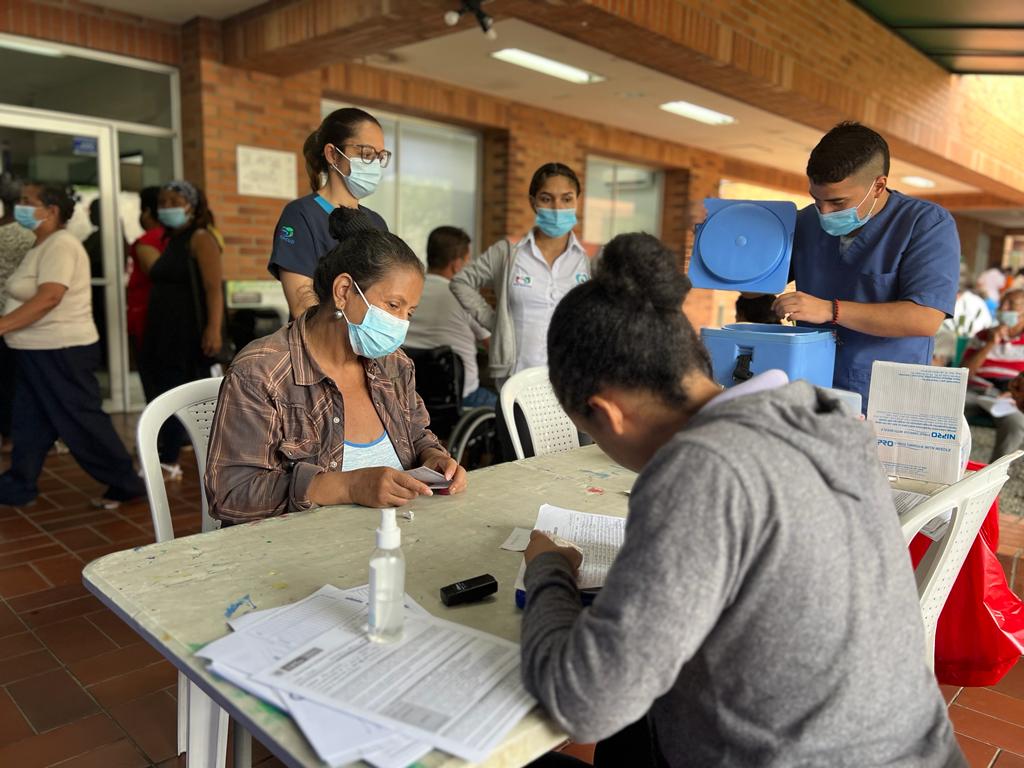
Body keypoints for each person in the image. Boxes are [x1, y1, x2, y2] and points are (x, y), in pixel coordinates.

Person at [520, 232, 963, 768]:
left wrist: (547, 570)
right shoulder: (820, 419)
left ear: (606, 413)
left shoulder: (702, 470)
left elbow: (584, 703)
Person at [206, 208, 467, 523]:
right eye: (393, 305)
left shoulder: (394, 365)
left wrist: (434, 457)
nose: (399, 324)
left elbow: (415, 434)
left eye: (409, 312)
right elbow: (232, 493)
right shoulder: (262, 374)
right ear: (344, 292)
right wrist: (348, 486)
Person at [771, 122, 959, 409]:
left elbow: (925, 318)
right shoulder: (807, 222)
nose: (824, 212)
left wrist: (829, 310)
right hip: (811, 383)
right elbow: (758, 285)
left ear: (878, 186)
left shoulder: (925, 224)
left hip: (888, 394)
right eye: (816, 199)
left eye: (837, 202)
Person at [0, 183, 145, 508]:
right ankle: (19, 482)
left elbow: (50, 296)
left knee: (80, 419)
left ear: (51, 211)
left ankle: (126, 481)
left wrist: (3, 325)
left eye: (27, 202)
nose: (19, 207)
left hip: (61, 350)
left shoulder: (61, 245)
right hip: (34, 349)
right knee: (30, 419)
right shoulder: (42, 245)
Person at [450, 162, 590, 386]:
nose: (557, 208)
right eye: (546, 198)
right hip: (515, 378)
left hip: (571, 380)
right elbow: (461, 282)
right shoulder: (508, 252)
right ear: (533, 202)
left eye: (566, 198)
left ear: (577, 201)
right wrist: (495, 322)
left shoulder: (587, 260)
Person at [270, 108, 390, 318]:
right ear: (333, 154)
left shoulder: (376, 222)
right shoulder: (301, 215)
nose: (375, 165)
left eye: (379, 157)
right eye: (366, 154)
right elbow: (302, 306)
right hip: (320, 345)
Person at [140, 180, 223, 475]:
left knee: (177, 391)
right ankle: (168, 452)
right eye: (162, 203)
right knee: (161, 388)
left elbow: (214, 288)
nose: (167, 208)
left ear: (192, 205)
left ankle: (171, 458)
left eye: (174, 202)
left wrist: (214, 329)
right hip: (162, 330)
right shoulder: (171, 241)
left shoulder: (200, 238)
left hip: (186, 331)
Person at [405, 226, 495, 408]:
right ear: (457, 264)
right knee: (509, 408)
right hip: (460, 399)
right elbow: (495, 346)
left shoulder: (407, 291)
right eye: (467, 260)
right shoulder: (465, 297)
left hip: (409, 393)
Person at [962, 290, 1024, 460]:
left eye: (1011, 304)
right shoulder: (982, 335)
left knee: (1016, 423)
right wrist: (989, 344)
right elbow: (964, 374)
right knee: (946, 408)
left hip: (1009, 397)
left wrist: (1016, 394)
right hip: (975, 392)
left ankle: (995, 478)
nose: (1004, 308)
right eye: (1002, 303)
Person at [0, 172, 35, 453]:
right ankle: (14, 435)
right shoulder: (32, 235)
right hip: (21, 318)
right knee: (17, 380)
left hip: (6, 318)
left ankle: (7, 435)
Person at [126, 186, 167, 367]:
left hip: (147, 316)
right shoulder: (180, 238)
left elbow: (155, 273)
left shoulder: (148, 241)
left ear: (147, 211)